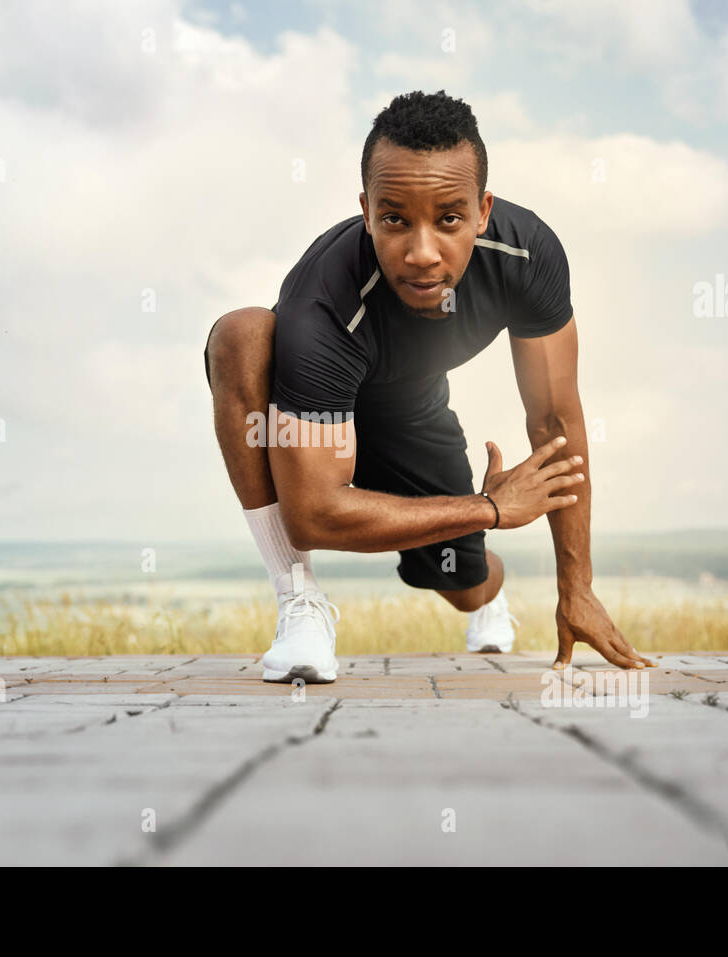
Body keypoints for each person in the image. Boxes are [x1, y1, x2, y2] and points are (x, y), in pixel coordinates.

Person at [203, 90, 654, 684]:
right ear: (365, 211)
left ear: (483, 210)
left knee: (463, 585)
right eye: (394, 219)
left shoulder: (527, 255)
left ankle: (489, 597)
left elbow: (555, 422)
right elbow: (312, 516)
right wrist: (492, 508)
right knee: (241, 334)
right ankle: (300, 605)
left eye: (448, 219)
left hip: (413, 412)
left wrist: (578, 588)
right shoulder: (323, 302)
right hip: (310, 398)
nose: (421, 254)